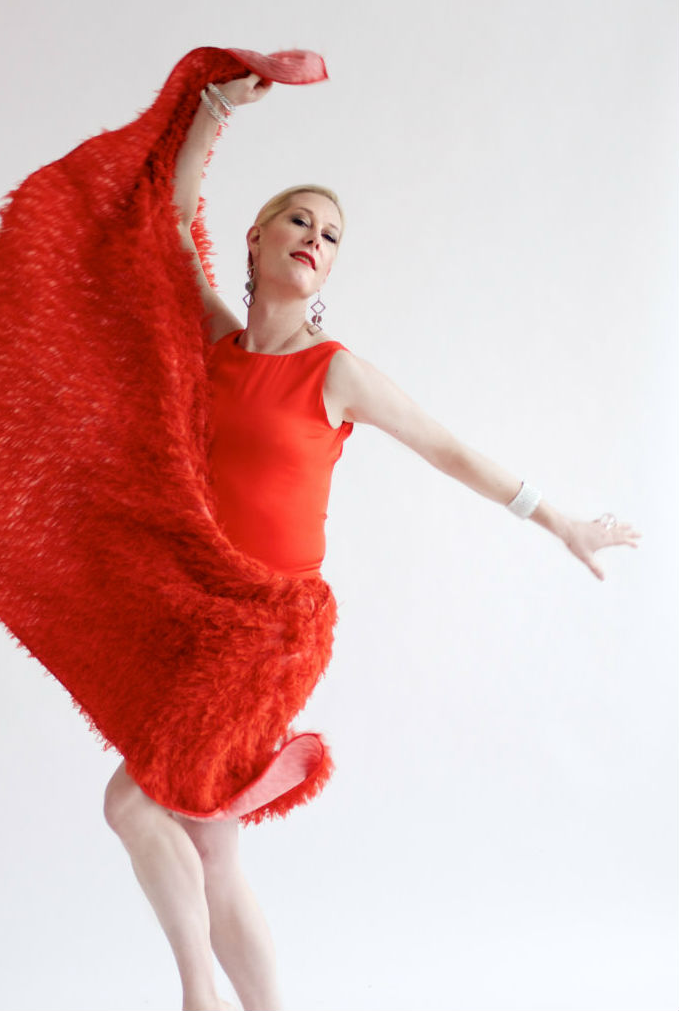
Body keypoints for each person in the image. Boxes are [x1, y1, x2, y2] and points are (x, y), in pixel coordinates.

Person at [101, 73, 641, 1011]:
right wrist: (215, 109)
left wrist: (559, 520)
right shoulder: (216, 347)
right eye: (298, 221)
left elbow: (447, 448)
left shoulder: (333, 372)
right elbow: (172, 223)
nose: (315, 238)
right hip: (200, 614)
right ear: (256, 239)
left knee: (133, 803)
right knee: (210, 840)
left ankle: (198, 1000)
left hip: (273, 629)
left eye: (331, 235)